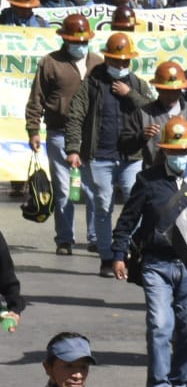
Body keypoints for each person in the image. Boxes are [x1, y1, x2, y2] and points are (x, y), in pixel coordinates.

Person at [110, 117, 187, 387]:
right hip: (156, 264)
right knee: (159, 324)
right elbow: (128, 219)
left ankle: (180, 384)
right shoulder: (148, 180)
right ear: (164, 150)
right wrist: (118, 254)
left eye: (184, 153)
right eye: (174, 151)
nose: (179, 157)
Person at [65, 33, 153, 277]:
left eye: (126, 62)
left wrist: (130, 94)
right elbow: (76, 115)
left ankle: (126, 253)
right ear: (107, 58)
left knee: (135, 204)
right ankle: (106, 257)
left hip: (131, 157)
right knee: (103, 206)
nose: (121, 66)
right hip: (100, 157)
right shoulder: (92, 83)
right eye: (117, 61)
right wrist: (73, 148)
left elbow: (152, 110)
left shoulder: (137, 83)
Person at [25, 14, 102, 256]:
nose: (79, 45)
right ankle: (64, 239)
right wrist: (34, 129)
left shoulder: (98, 63)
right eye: (74, 41)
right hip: (59, 132)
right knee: (64, 190)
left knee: (93, 189)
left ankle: (94, 236)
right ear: (65, 40)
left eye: (83, 41)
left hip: (90, 136)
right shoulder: (50, 63)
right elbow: (36, 98)